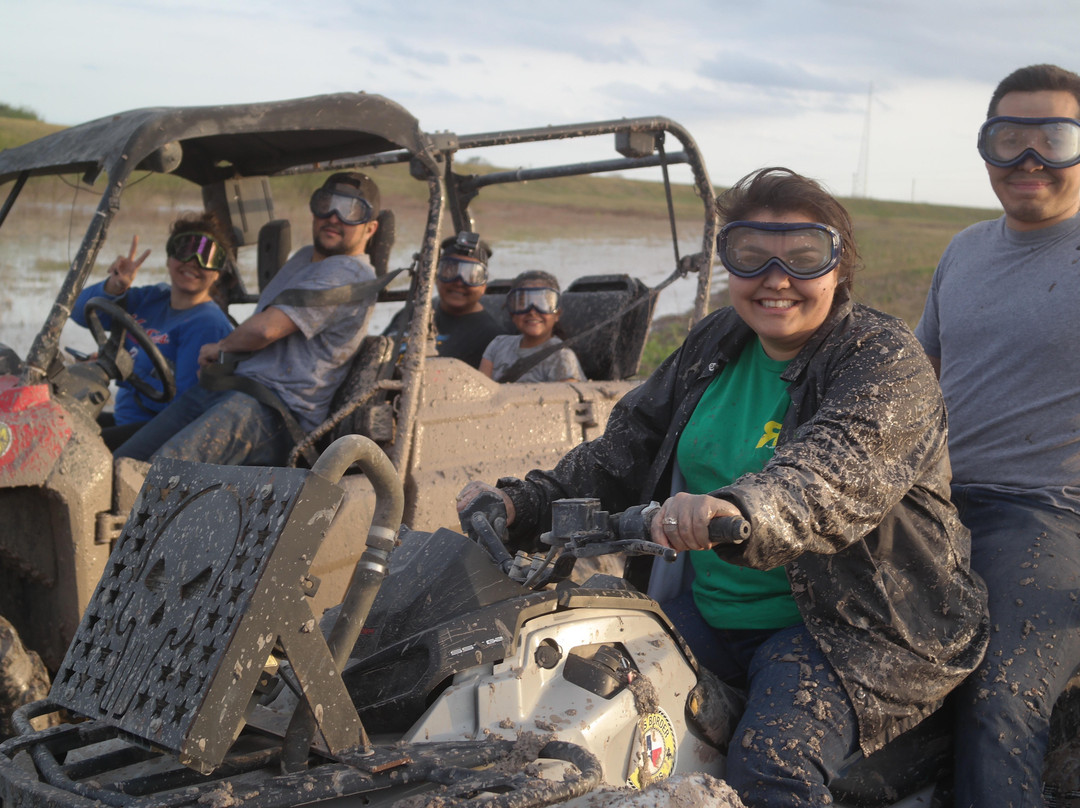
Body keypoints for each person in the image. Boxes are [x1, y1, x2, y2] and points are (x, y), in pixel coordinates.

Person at [458, 167, 989, 807]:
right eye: (750, 254)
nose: (775, 278)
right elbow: (624, 450)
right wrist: (525, 500)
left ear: (838, 266)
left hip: (854, 628)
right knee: (563, 703)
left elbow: (830, 473)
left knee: (770, 769)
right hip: (710, 611)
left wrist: (738, 507)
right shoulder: (716, 340)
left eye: (803, 256)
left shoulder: (882, 359)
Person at [914, 63, 1080, 808]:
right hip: (934, 506)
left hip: (1050, 515)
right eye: (1007, 138)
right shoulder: (965, 250)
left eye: (1056, 137)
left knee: (1000, 704)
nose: (1030, 158)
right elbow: (917, 378)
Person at [114, 172, 381, 466]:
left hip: (276, 411)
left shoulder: (351, 273)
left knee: (160, 472)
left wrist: (221, 348)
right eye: (326, 203)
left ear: (370, 228)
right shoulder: (304, 259)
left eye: (350, 210)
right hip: (234, 390)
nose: (333, 217)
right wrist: (225, 363)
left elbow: (266, 329)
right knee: (125, 462)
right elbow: (262, 340)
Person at [72, 214, 235, 450]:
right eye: (184, 250)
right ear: (169, 259)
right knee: (54, 421)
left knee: (73, 448)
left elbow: (184, 408)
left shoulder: (207, 324)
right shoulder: (152, 297)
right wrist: (114, 285)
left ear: (217, 272)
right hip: (124, 418)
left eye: (206, 257)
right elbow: (79, 312)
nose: (192, 261)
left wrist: (126, 369)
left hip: (157, 432)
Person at [385, 231, 506, 368]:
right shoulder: (412, 313)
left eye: (471, 276)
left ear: (484, 285)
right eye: (450, 271)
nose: (459, 282)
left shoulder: (491, 338)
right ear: (436, 276)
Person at [479, 270, 584, 382]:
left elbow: (568, 398)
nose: (532, 311)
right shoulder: (498, 345)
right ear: (512, 314)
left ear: (557, 314)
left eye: (542, 304)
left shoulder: (562, 358)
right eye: (524, 303)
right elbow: (479, 390)